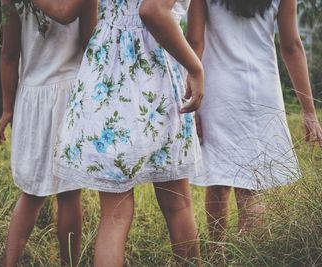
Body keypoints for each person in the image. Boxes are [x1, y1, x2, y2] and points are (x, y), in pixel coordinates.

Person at [52, 0, 204, 265]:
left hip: (108, 73)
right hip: (153, 74)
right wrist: (195, 67)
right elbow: (153, 11)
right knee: (177, 204)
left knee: (114, 216)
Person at [186, 0, 322, 256]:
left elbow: (194, 42)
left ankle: (217, 256)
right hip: (262, 92)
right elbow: (292, 47)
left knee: (217, 181)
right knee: (252, 187)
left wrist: (190, 99)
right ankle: (249, 258)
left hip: (217, 92)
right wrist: (308, 111)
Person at [0, 0, 97, 266]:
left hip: (31, 95)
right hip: (68, 94)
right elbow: (89, 40)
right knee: (69, 192)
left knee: (31, 193)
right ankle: (69, 264)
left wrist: (8, 107)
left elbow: (8, 54)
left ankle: (9, 263)